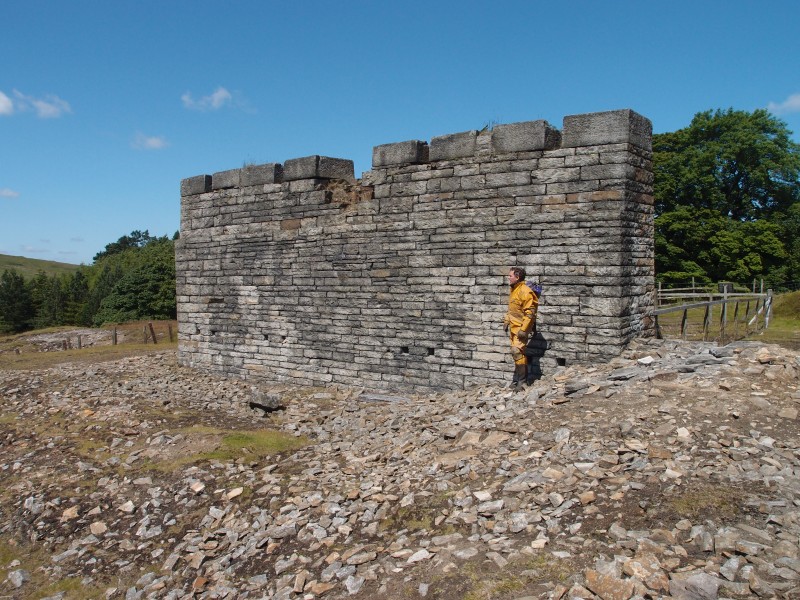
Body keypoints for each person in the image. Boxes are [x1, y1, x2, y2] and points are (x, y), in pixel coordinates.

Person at [503, 266, 538, 388]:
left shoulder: (525, 291)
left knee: (516, 351)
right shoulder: (514, 290)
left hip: (521, 328)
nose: (508, 277)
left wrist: (524, 329)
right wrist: (507, 320)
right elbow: (512, 309)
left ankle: (522, 381)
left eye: (510, 275)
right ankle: (518, 380)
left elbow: (530, 312)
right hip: (514, 326)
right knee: (517, 353)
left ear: (517, 277)